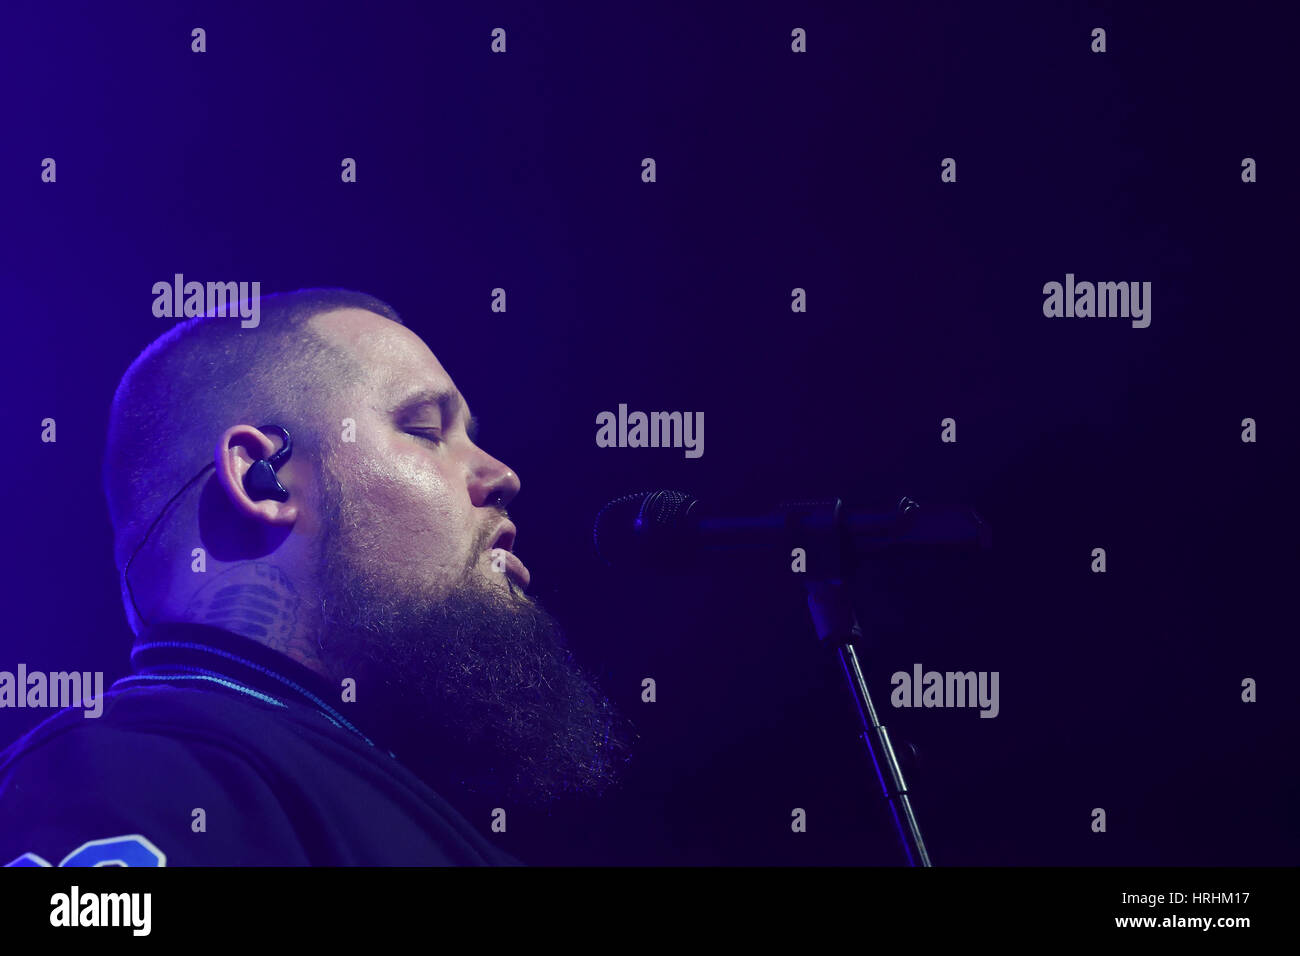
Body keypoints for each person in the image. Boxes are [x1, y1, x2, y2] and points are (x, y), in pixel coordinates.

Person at [0, 288, 634, 866]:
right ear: (262, 478)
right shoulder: (132, 774)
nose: (502, 476)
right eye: (423, 430)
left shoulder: (383, 795)